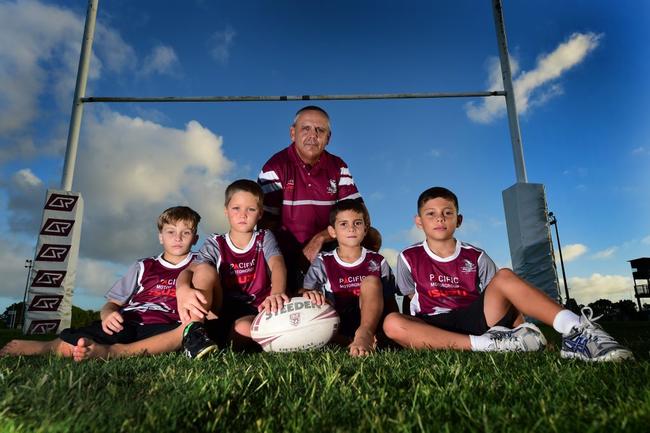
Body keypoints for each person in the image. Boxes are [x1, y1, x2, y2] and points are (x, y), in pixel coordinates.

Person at [382, 186, 634, 362]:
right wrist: (412, 333)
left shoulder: (476, 256)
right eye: (431, 214)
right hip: (432, 323)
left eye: (447, 213)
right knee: (392, 323)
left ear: (458, 219)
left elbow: (507, 298)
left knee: (504, 277)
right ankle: (491, 346)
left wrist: (524, 329)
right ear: (419, 222)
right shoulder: (407, 257)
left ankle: (576, 330)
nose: (440, 219)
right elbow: (409, 297)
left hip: (474, 319)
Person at [0, 206, 203, 361]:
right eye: (170, 232)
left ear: (195, 238)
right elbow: (112, 303)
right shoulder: (144, 266)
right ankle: (48, 346)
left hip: (165, 324)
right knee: (73, 343)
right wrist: (108, 315)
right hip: (129, 321)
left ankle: (113, 352)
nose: (177, 238)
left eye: (185, 232)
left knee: (182, 333)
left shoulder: (201, 264)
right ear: (160, 237)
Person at [257, 106, 377, 292]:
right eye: (306, 128)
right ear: (292, 133)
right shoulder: (275, 167)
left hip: (329, 243)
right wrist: (288, 259)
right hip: (287, 250)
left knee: (372, 236)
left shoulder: (338, 166)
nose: (313, 135)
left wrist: (320, 238)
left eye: (320, 130)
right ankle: (288, 289)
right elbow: (265, 226)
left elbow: (361, 216)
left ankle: (357, 291)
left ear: (328, 138)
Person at [176, 179, 288, 354]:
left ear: (260, 213)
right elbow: (190, 270)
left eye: (250, 209)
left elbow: (277, 263)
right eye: (236, 208)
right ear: (226, 210)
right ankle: (194, 333)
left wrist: (277, 292)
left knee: (244, 328)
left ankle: (223, 346)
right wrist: (182, 288)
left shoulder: (264, 237)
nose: (243, 215)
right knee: (204, 269)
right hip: (221, 309)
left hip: (255, 310)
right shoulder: (216, 242)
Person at [301, 199, 396, 357]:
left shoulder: (378, 261)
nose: (351, 228)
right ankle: (349, 341)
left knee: (371, 281)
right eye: (343, 224)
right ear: (332, 232)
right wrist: (307, 293)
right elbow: (305, 292)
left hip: (371, 326)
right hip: (337, 327)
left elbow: (390, 300)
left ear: (365, 229)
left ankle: (365, 335)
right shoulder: (323, 261)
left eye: (357, 223)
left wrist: (391, 333)